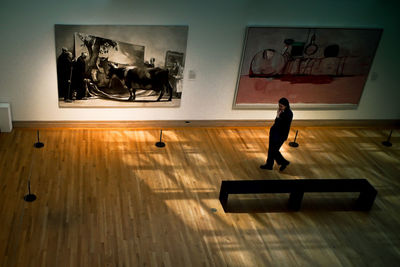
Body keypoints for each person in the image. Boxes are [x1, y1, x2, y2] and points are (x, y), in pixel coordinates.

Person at [260, 97, 293, 171]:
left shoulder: (288, 114)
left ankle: (284, 162)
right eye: (279, 106)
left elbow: (280, 124)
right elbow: (276, 122)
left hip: (280, 136)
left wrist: (278, 116)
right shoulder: (282, 111)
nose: (280, 107)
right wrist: (278, 116)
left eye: (281, 106)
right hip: (274, 133)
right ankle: (269, 165)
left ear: (286, 106)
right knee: (271, 150)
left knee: (274, 150)